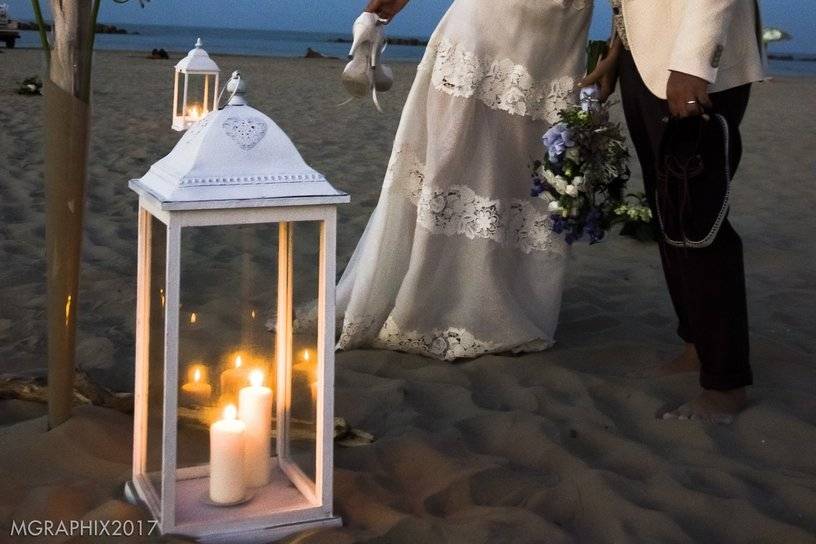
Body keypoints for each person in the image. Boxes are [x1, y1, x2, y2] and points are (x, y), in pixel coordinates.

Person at [335, 0, 594, 361]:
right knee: (453, 155)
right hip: (492, 22)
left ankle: (485, 300)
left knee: (520, 167)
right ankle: (437, 296)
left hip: (554, 34)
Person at [583, 0, 765, 422]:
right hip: (644, 60)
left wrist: (694, 63)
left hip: (690, 65)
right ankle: (696, 346)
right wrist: (617, 50)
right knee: (666, 211)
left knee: (697, 216)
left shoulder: (692, 64)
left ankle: (726, 383)